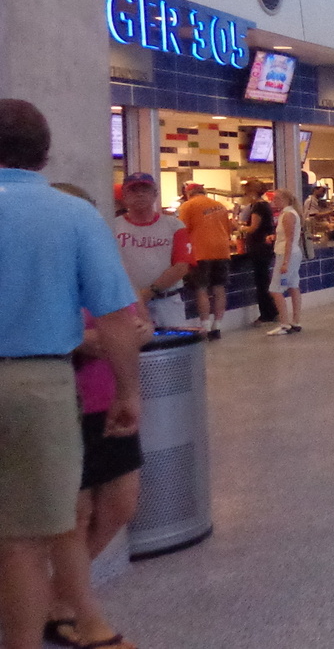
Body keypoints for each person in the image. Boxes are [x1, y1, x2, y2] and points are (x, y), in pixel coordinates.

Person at [0, 100, 145, 649]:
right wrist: (128, 392)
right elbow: (115, 317)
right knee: (24, 537)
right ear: (44, 153)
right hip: (38, 387)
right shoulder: (72, 214)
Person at [113, 172, 192, 328]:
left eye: (145, 189)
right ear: (124, 196)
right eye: (134, 190)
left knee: (171, 348)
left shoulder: (174, 226)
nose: (140, 194)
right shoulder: (112, 226)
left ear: (155, 194)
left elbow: (182, 266)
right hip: (128, 306)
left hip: (167, 303)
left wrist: (149, 292)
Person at [177, 181, 234, 339]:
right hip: (222, 250)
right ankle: (218, 326)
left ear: (188, 193)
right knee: (219, 288)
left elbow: (181, 230)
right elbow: (229, 228)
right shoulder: (220, 205)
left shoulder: (187, 206)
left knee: (201, 289)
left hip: (200, 252)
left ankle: (205, 327)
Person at [237, 179, 277, 326]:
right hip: (264, 247)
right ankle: (272, 311)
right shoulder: (264, 205)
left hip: (259, 248)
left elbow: (253, 227)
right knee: (264, 280)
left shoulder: (258, 206)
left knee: (261, 282)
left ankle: (266, 314)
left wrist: (239, 227)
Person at [266, 189, 305, 335]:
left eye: (276, 199)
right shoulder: (290, 213)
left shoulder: (288, 215)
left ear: (285, 200)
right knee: (293, 286)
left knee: (275, 289)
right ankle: (296, 321)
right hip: (291, 253)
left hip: (286, 255)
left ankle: (284, 323)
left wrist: (285, 262)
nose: (274, 201)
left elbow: (289, 239)